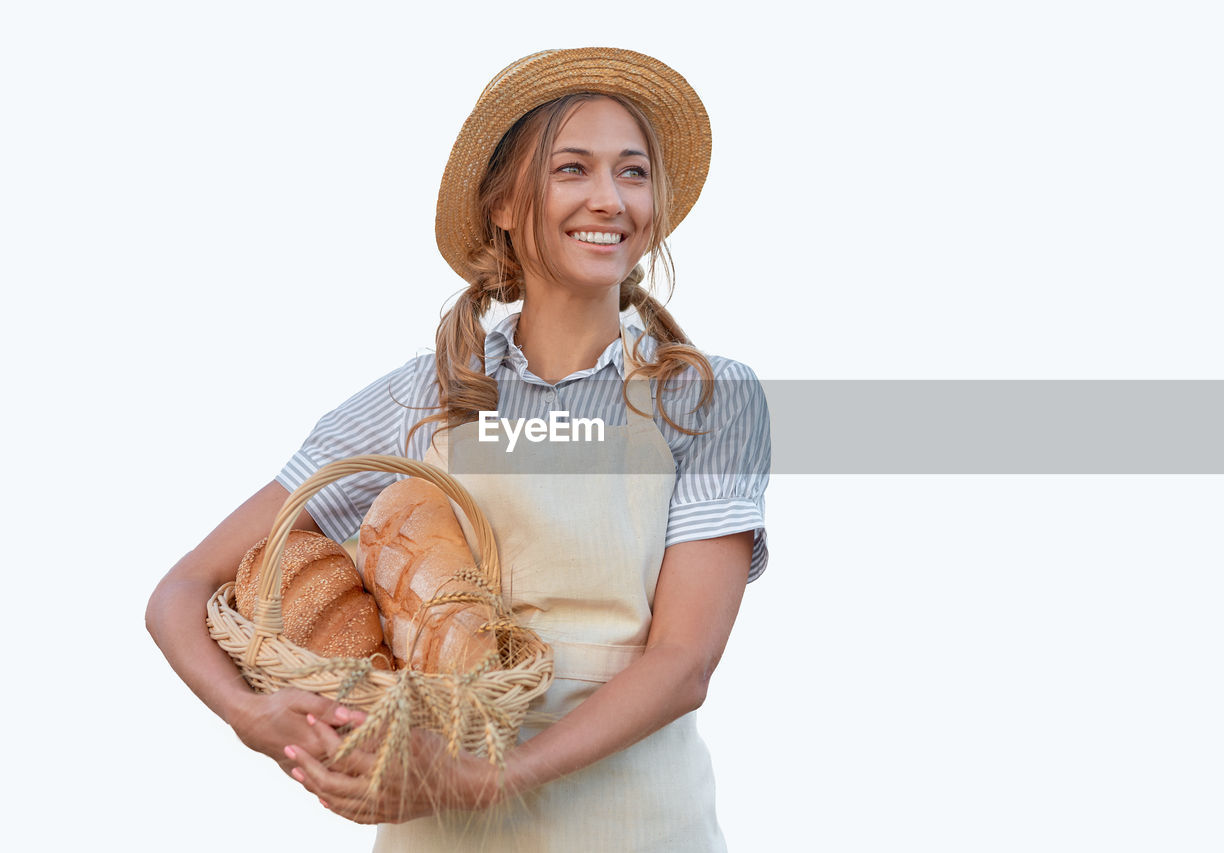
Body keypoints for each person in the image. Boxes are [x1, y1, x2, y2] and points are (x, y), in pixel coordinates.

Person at [147, 47, 770, 851]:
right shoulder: (420, 397)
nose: (610, 199)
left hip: (636, 824)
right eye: (573, 169)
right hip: (436, 824)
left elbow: (683, 662)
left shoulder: (708, 398)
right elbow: (182, 589)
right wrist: (249, 713)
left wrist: (488, 779)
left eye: (634, 173)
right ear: (506, 204)